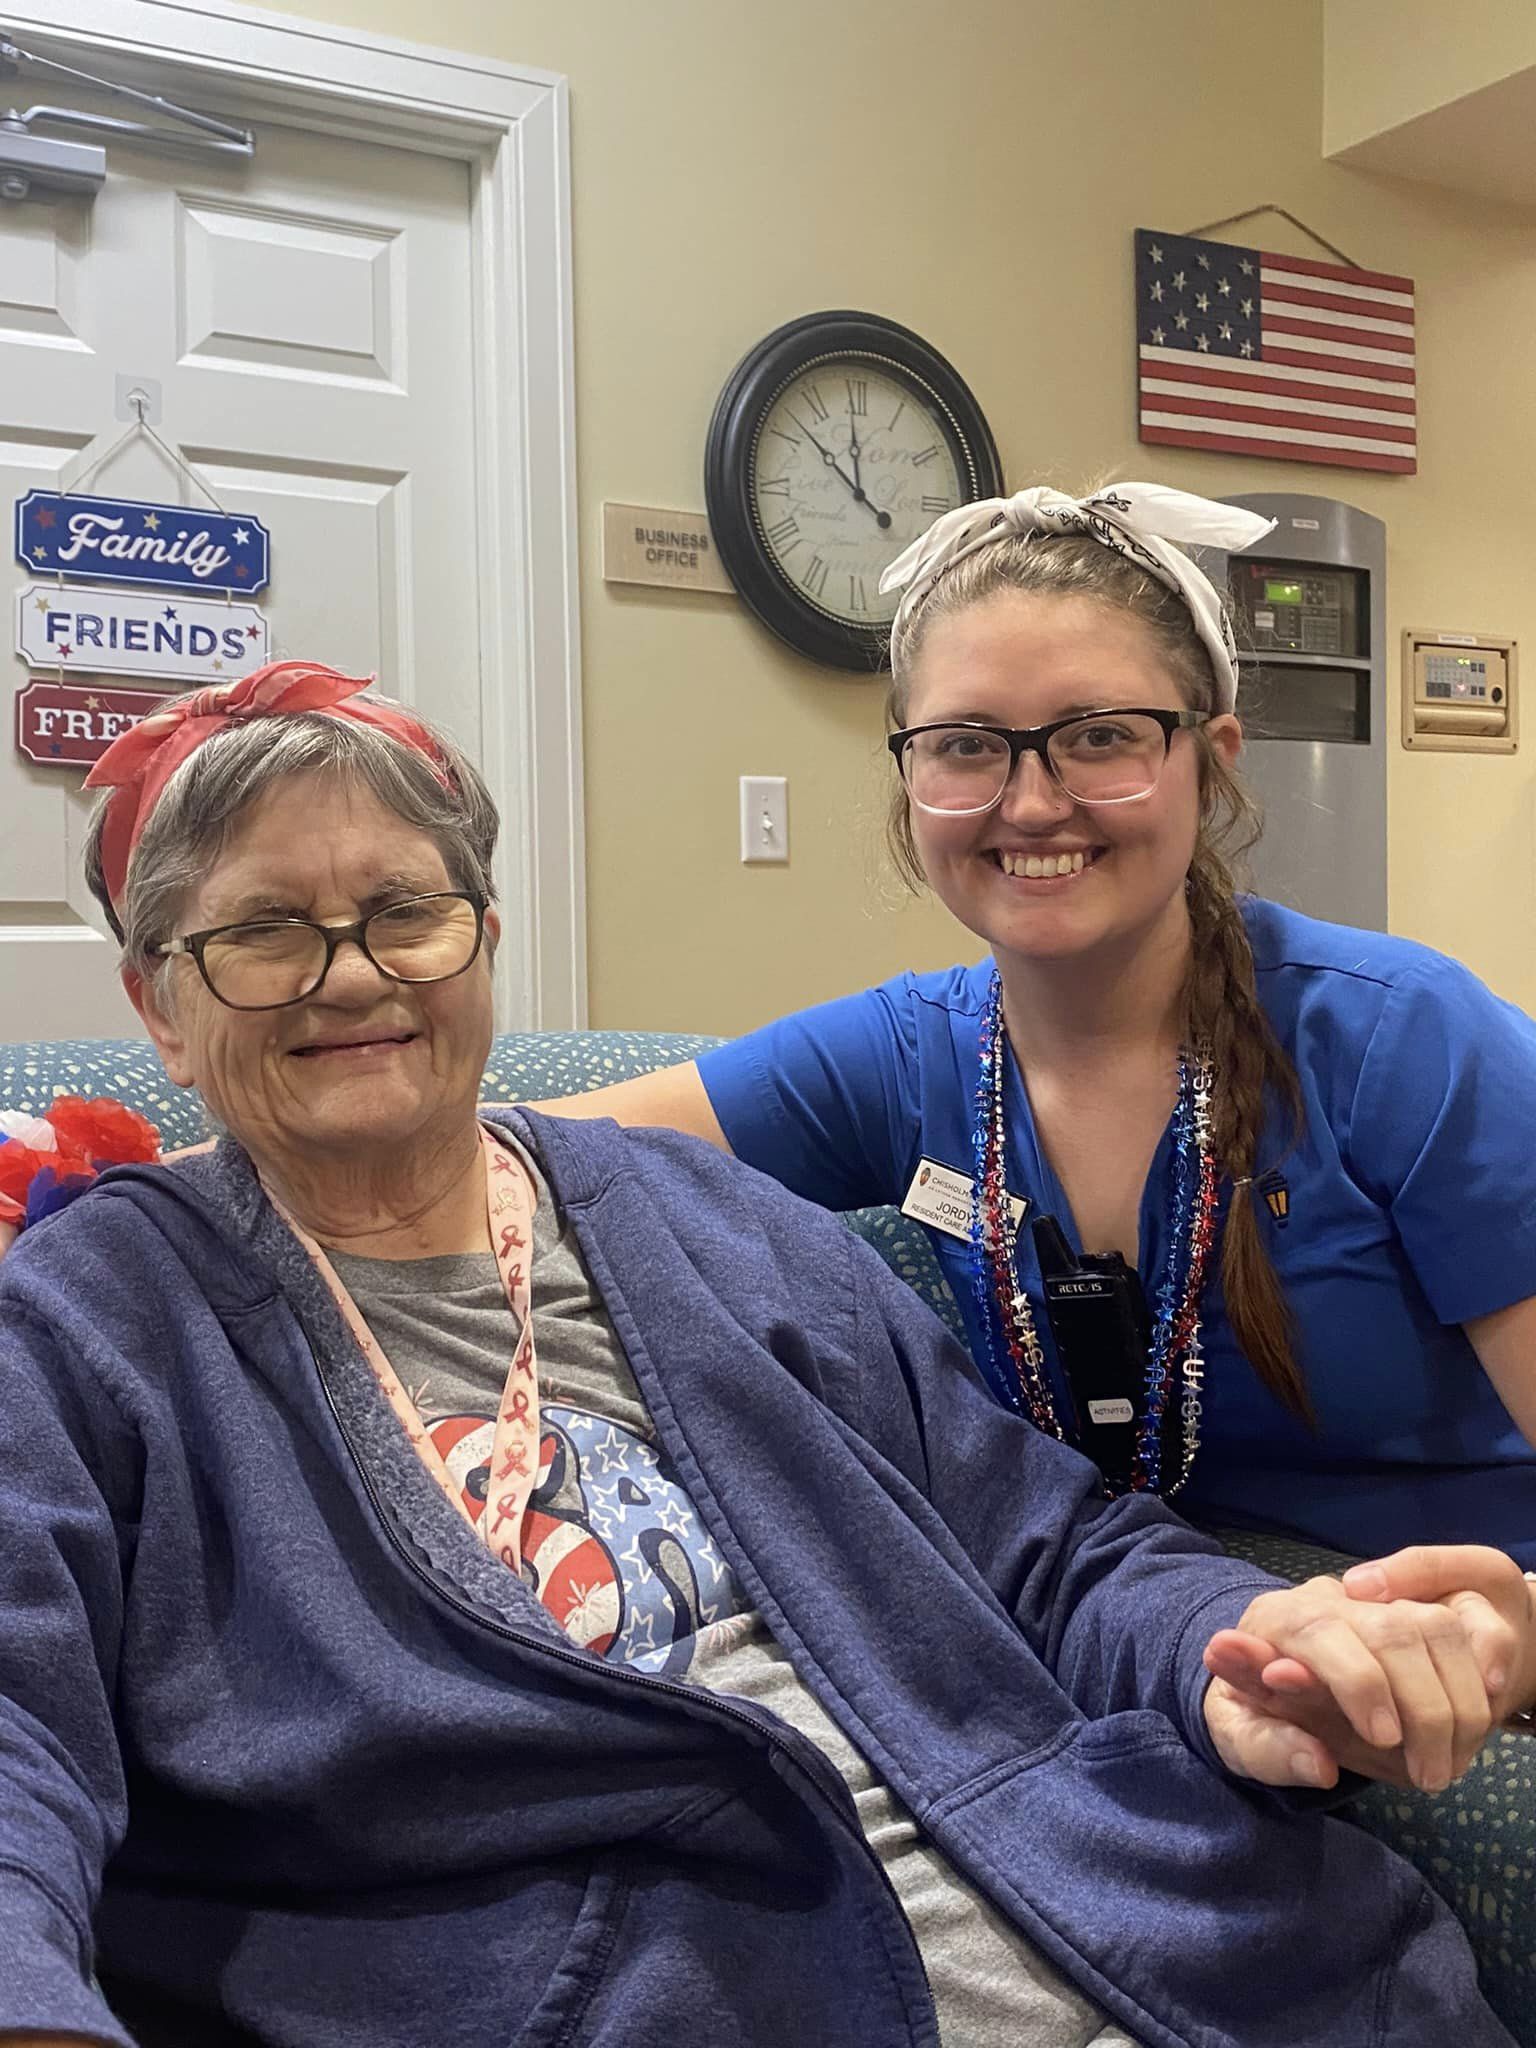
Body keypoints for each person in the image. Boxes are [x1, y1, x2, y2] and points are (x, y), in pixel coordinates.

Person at [1, 659, 1532, 2048]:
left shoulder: (704, 1218)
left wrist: (1236, 1659)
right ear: (160, 1008)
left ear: (482, 940)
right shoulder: (95, 1318)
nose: (352, 975)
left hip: (1142, 1931)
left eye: (405, 911)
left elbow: (1051, 1545)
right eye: (265, 933)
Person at [541, 482, 1536, 1565]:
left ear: (1209, 761)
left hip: (1468, 1640)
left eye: (1100, 735)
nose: (1030, 801)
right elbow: (520, 1163)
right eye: (968, 744)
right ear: (910, 777)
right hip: (1151, 1638)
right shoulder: (905, 1057)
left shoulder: (1405, 1039)